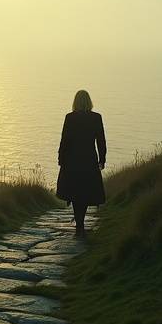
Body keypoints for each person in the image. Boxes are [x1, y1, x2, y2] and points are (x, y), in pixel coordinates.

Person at [56, 89, 107, 238]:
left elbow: (64, 140)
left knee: (75, 192)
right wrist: (102, 159)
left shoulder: (70, 118)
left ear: (75, 102)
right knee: (84, 192)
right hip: (89, 160)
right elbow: (101, 141)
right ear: (89, 102)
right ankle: (80, 225)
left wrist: (61, 158)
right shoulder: (96, 118)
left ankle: (79, 225)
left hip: (72, 160)